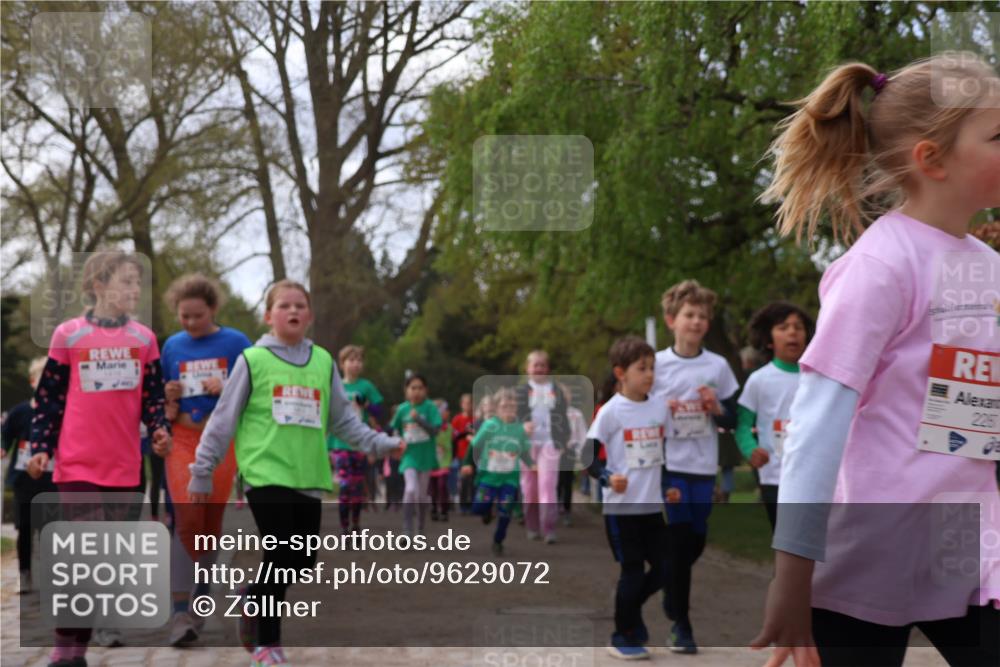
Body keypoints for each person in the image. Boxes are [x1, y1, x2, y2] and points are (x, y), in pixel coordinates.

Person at [750, 55, 1000, 667]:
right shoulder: (879, 268)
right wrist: (793, 574)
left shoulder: (988, 268)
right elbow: (815, 428)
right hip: (871, 548)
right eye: (998, 135)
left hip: (970, 543)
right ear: (931, 159)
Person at [188, 279, 404, 667]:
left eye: (300, 306)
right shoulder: (252, 361)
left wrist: (380, 443)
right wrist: (202, 470)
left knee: (301, 559)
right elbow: (223, 420)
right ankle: (266, 644)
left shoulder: (322, 361)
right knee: (282, 548)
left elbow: (343, 421)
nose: (292, 311)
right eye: (284, 306)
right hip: (264, 473)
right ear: (269, 316)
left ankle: (252, 596)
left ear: (310, 316)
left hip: (308, 475)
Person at [26, 250, 172, 665]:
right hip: (78, 465)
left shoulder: (145, 339)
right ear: (98, 285)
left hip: (126, 468)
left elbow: (153, 399)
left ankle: (76, 650)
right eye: (126, 281)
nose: (134, 289)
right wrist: (40, 447)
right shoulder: (68, 335)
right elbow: (49, 400)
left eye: (137, 283)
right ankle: (63, 650)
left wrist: (160, 430)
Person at [159, 274, 252, 645]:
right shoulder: (172, 347)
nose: (190, 324)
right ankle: (179, 614)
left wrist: (227, 384)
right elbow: (160, 403)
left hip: (221, 439)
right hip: (182, 437)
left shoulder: (236, 343)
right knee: (187, 512)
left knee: (210, 522)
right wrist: (167, 397)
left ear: (213, 310)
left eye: (197, 316)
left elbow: (252, 393)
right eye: (183, 317)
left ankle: (199, 603)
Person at [651, 279, 740, 654]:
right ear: (672, 320)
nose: (697, 321)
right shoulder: (656, 364)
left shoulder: (717, 366)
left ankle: (668, 585)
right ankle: (681, 623)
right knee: (679, 536)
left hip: (704, 466)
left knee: (695, 540)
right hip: (670, 465)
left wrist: (716, 408)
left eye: (703, 316)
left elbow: (734, 418)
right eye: (689, 314)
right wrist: (661, 409)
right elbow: (634, 408)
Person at [585, 336, 670, 660]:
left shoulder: (659, 406)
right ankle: (622, 634)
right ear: (621, 372)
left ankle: (628, 605)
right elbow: (588, 458)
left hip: (652, 509)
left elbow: (668, 450)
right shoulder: (611, 412)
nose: (649, 374)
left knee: (665, 568)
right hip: (621, 510)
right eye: (642, 368)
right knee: (633, 572)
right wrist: (607, 477)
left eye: (652, 368)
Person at [735, 302, 813, 530]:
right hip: (775, 477)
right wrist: (751, 449)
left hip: (814, 474)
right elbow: (743, 424)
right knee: (786, 542)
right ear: (768, 339)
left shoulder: (819, 378)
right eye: (783, 327)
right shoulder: (759, 380)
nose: (792, 332)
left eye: (798, 327)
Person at [1, 357, 57, 594]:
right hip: (24, 478)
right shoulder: (21, 411)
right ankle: (25, 573)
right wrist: (3, 446)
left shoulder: (59, 412)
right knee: (24, 527)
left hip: (52, 479)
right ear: (32, 382)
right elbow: (6, 433)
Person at [461, 388, 533, 555]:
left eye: (512, 406)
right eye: (504, 406)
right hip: (488, 477)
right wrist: (467, 464)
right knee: (478, 508)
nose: (509, 409)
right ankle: (488, 510)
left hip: (510, 479)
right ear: (497, 408)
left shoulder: (519, 429)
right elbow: (475, 445)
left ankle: (498, 541)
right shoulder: (490, 425)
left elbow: (523, 451)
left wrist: (531, 464)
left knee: (506, 511)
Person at [327, 345, 385, 535]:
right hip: (339, 442)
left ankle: (356, 525)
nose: (355, 364)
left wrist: (366, 405)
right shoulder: (336, 386)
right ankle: (344, 529)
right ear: (342, 364)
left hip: (360, 442)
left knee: (358, 487)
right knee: (345, 486)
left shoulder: (366, 386)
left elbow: (379, 411)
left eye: (359, 360)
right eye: (351, 360)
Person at [516, 350, 570, 544]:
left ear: (548, 369)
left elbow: (563, 417)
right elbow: (513, 416)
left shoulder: (556, 389)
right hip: (528, 444)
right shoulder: (521, 391)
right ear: (527, 368)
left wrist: (563, 440)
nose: (539, 368)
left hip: (549, 443)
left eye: (542, 365)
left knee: (547, 485)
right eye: (535, 365)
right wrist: (521, 426)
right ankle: (532, 525)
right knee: (529, 488)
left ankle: (549, 527)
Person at [389, 374, 441, 537]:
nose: (416, 392)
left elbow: (435, 430)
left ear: (426, 390)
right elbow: (393, 429)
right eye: (413, 388)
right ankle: (406, 530)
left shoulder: (430, 407)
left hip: (425, 456)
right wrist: (395, 444)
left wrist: (418, 419)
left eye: (420, 388)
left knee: (420, 496)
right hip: (409, 456)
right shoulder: (402, 409)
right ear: (406, 390)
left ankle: (420, 528)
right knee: (410, 489)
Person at [451, 393, 476, 514]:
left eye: (471, 403)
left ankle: (473, 505)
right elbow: (453, 437)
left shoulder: (476, 419)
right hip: (462, 455)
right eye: (466, 403)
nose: (469, 406)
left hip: (475, 455)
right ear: (462, 405)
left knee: (474, 481)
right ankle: (463, 505)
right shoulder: (457, 419)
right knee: (464, 480)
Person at [429, 398, 453, 521]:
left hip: (444, 460)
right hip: (432, 461)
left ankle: (444, 509)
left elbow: (453, 440)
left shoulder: (449, 427)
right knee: (433, 487)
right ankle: (433, 508)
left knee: (442, 485)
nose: (444, 413)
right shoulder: (430, 428)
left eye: (445, 410)